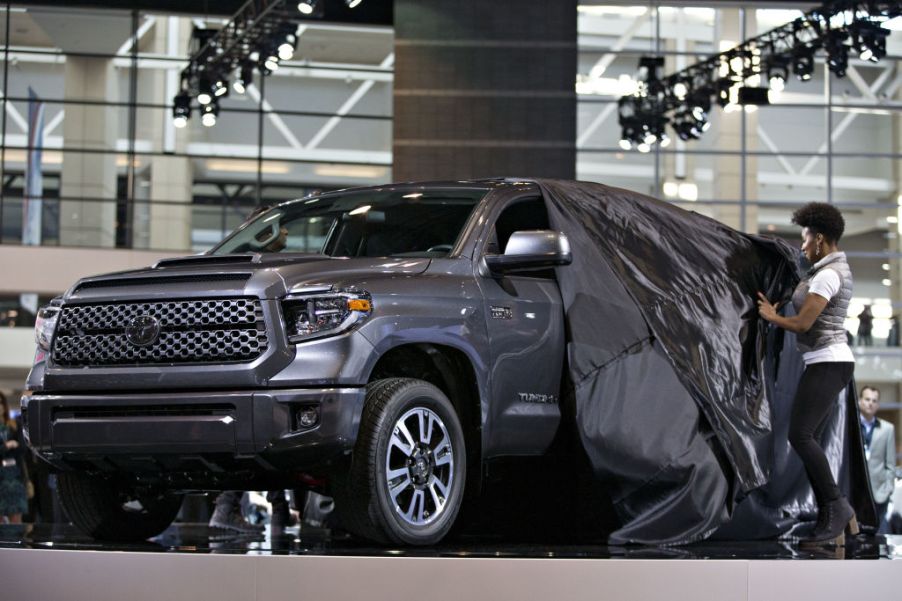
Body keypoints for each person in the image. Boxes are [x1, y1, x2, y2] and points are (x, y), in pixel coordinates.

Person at [757, 202, 856, 546]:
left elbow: (803, 323)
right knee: (802, 435)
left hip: (830, 361)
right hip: (824, 361)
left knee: (800, 436)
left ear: (821, 239)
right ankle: (834, 511)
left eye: (805, 239)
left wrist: (772, 316)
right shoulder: (823, 271)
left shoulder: (829, 275)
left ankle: (836, 506)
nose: (802, 247)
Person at [858, 385, 896, 534]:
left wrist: (887, 490)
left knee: (880, 537)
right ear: (860, 401)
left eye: (874, 400)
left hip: (879, 495)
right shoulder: (850, 426)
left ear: (878, 405)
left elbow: (891, 464)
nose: (870, 403)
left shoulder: (887, 429)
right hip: (856, 493)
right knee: (855, 538)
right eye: (867, 399)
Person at [0, 392, 29, 524]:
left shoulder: (14, 424)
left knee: (16, 516)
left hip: (15, 476)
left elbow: (23, 448)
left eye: (1, 403)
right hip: (1, 476)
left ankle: (17, 544)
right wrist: (6, 446)